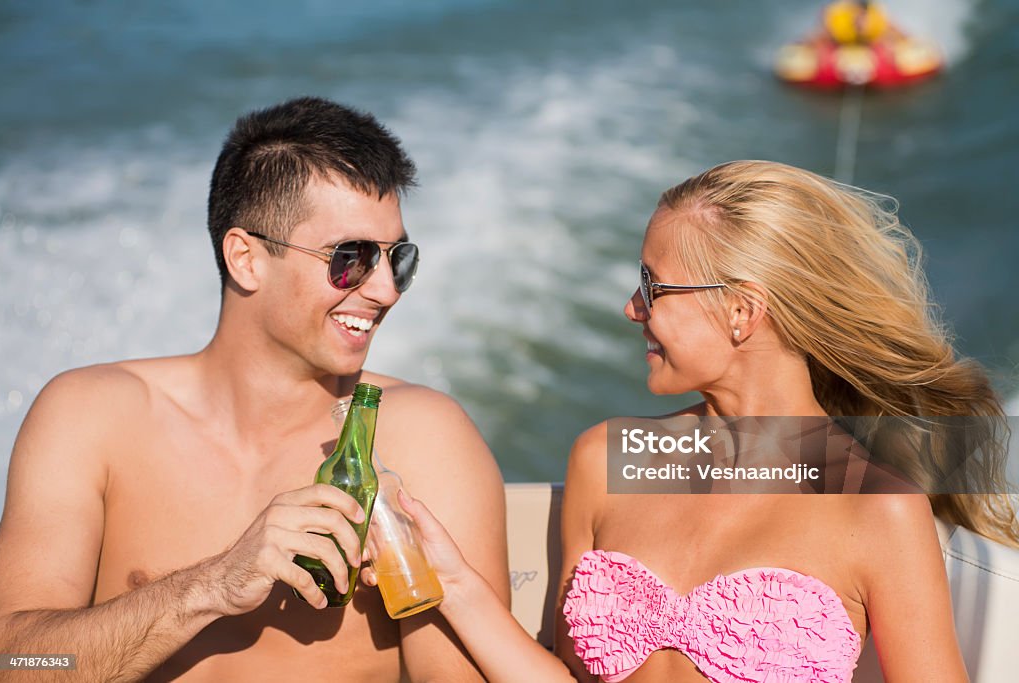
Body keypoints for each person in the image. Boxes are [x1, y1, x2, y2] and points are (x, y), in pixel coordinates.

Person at [367, 160, 1018, 682]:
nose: (631, 308)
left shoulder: (876, 507)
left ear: (741, 310)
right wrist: (454, 583)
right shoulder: (608, 458)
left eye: (654, 287)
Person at [0, 96, 510, 681]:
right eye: (352, 258)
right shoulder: (90, 417)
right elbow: (13, 662)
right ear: (245, 258)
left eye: (399, 259)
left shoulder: (425, 439)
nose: (386, 290)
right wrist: (214, 585)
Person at [820, 1, 901, 46]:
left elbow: (894, 30)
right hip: (840, 43)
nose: (861, 23)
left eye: (863, 17)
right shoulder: (838, 19)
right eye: (858, 17)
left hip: (869, 44)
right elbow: (823, 35)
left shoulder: (877, 18)